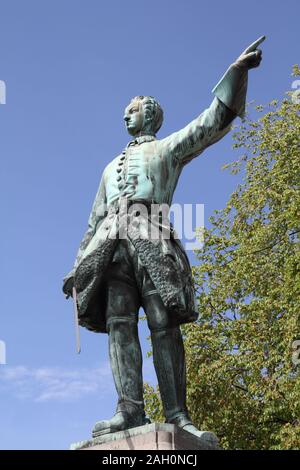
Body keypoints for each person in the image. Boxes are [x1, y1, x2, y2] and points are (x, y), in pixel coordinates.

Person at [63, 37, 264, 442]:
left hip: (152, 238)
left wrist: (236, 75)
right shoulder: (107, 169)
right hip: (111, 247)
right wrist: (78, 265)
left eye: (132, 110)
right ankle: (128, 410)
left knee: (163, 323)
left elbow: (210, 124)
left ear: (150, 115)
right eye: (125, 111)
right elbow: (93, 219)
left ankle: (176, 413)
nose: (125, 115)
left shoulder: (167, 149)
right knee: (120, 323)